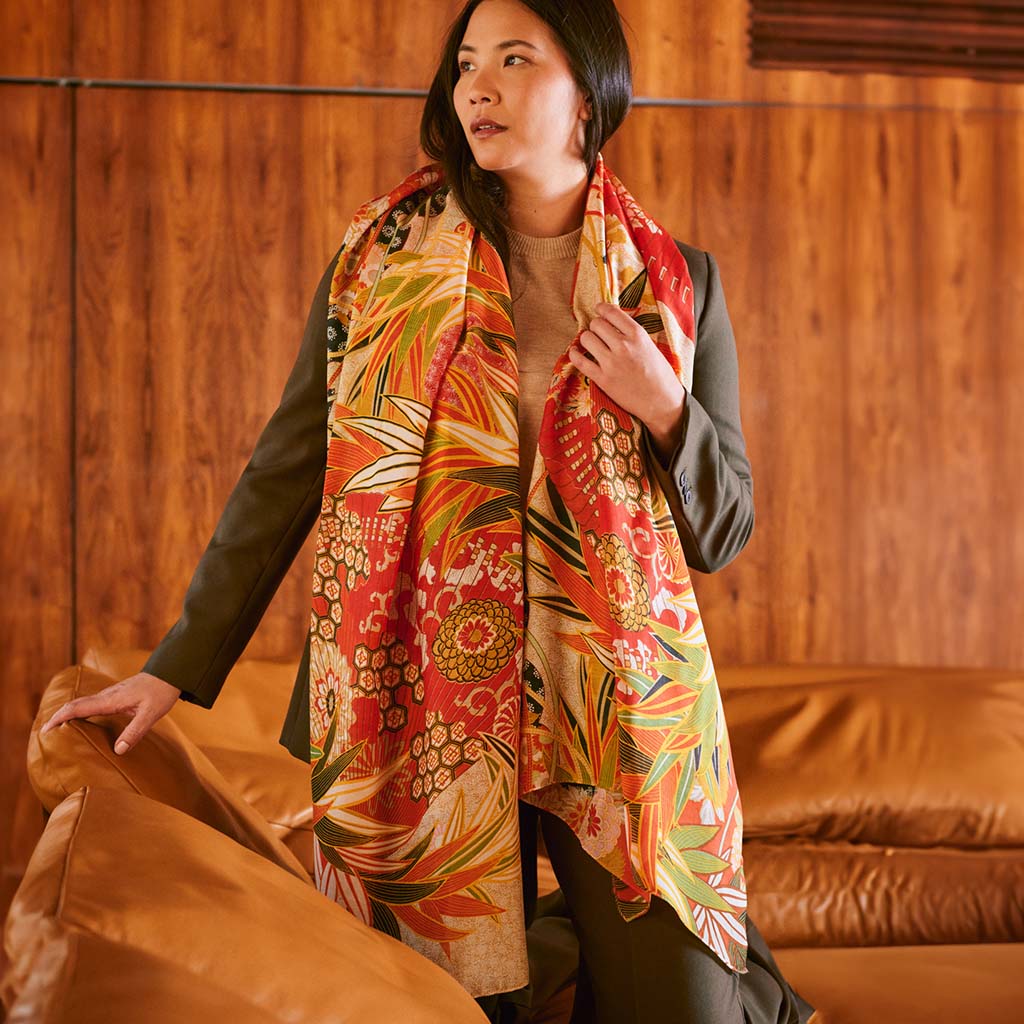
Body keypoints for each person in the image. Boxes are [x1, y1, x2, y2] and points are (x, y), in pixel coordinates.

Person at [40, 2, 818, 1022]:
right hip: (423, 699)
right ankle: (564, 946)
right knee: (438, 1006)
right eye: (464, 66)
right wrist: (177, 667)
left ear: (588, 92)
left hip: (618, 706)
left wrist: (668, 406)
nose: (478, 87)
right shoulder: (379, 268)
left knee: (686, 1007)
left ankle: (669, 962)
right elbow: (287, 472)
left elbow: (725, 530)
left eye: (512, 60)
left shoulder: (677, 287)